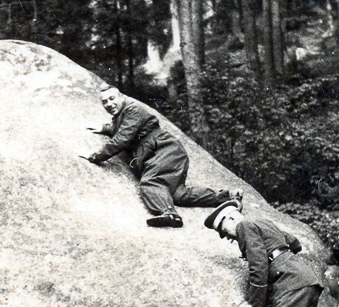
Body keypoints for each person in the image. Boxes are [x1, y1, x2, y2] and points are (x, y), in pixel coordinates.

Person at [86, 85, 238, 227]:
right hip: (167, 152)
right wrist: (104, 128)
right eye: (104, 102)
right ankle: (227, 196)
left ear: (121, 97)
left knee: (150, 182)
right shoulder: (123, 114)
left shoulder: (133, 109)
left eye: (112, 98)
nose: (109, 104)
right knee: (177, 194)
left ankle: (170, 214)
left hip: (164, 149)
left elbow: (122, 138)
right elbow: (117, 128)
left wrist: (96, 156)